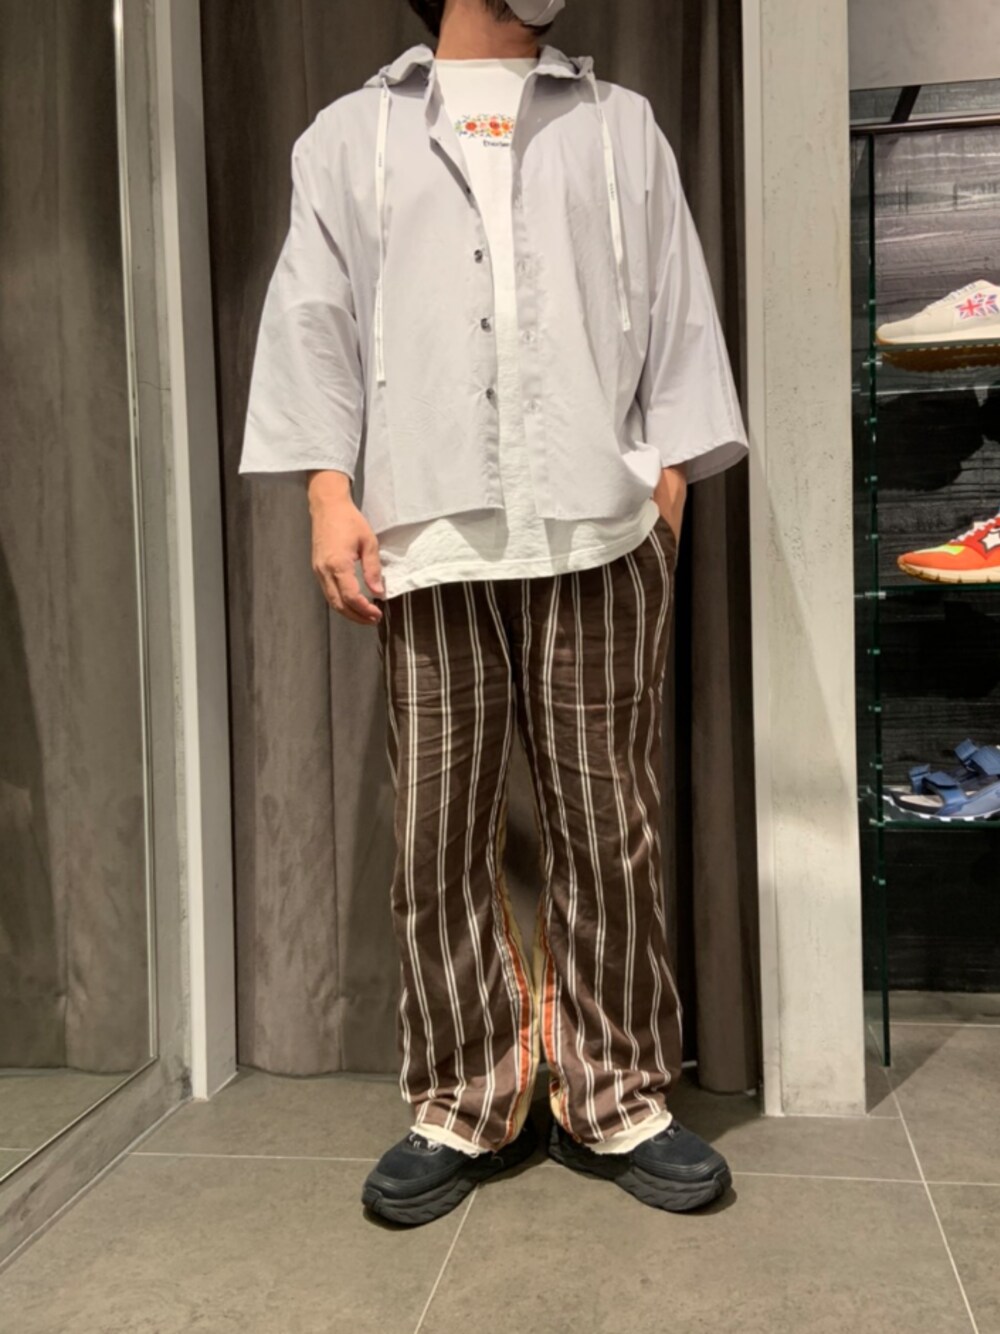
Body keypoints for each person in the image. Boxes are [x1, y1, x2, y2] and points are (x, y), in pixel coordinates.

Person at [239, 0, 749, 1227]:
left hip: (599, 528)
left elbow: (675, 309)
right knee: (437, 833)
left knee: (609, 824)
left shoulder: (620, 124)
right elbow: (314, 318)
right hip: (425, 534)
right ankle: (464, 1097)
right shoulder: (349, 134)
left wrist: (667, 484)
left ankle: (616, 1094)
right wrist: (326, 491)